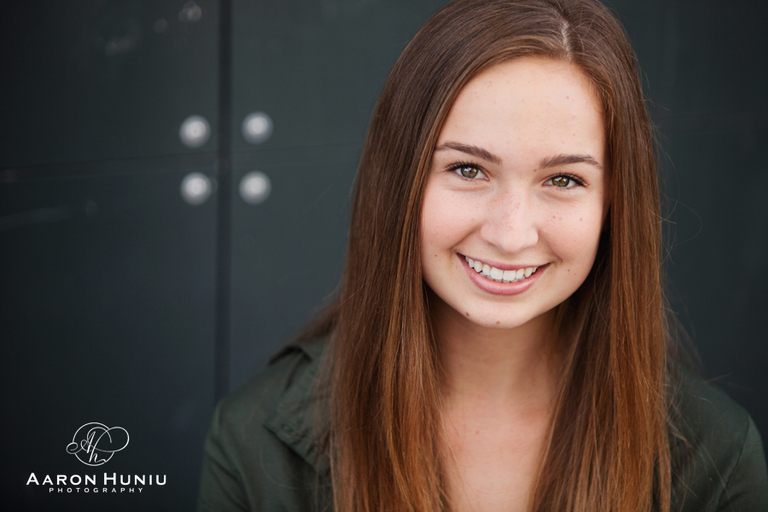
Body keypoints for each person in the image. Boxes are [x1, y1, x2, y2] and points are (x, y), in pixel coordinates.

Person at [197, 0, 768, 510]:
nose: (511, 234)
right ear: (399, 182)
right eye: (468, 169)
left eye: (564, 179)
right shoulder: (256, 441)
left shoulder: (713, 458)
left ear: (614, 204)